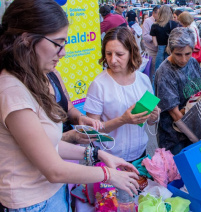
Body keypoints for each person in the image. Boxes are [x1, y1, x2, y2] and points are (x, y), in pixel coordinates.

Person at [0, 0, 139, 210]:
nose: (63, 52)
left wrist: (99, 154)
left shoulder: (36, 77)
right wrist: (108, 174)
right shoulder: (13, 91)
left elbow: (50, 146)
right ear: (27, 39)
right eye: (58, 43)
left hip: (52, 193)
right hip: (32, 203)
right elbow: (54, 169)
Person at [84, 27, 160, 163]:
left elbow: (149, 121)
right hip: (109, 158)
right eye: (108, 54)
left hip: (140, 155)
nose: (113, 60)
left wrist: (154, 116)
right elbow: (91, 132)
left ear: (131, 53)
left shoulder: (144, 80)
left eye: (119, 54)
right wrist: (122, 120)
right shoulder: (98, 85)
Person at [155, 27, 201, 155]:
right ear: (170, 50)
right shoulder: (165, 72)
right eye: (178, 54)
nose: (183, 59)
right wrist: (198, 136)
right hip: (175, 139)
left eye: (187, 54)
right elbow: (175, 114)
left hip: (195, 129)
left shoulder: (193, 62)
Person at [150, 5, 178, 72]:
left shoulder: (154, 25)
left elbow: (155, 44)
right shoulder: (174, 24)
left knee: (157, 72)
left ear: (160, 13)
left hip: (160, 50)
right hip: (171, 50)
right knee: (171, 72)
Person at [142, 5, 160, 82]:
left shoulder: (161, 22)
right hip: (151, 50)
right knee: (152, 72)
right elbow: (145, 36)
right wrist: (155, 39)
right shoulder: (148, 21)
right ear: (154, 13)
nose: (160, 16)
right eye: (159, 14)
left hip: (160, 50)